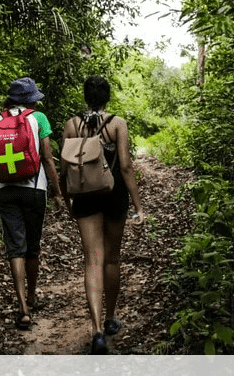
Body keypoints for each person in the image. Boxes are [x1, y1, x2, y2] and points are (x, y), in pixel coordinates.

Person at [60, 74, 144, 354]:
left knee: (91, 261)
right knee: (112, 257)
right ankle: (109, 319)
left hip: (84, 194)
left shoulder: (71, 125)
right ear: (107, 96)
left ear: (85, 96)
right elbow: (127, 166)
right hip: (114, 193)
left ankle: (95, 329)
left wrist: (67, 198)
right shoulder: (118, 124)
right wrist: (138, 205)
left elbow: (65, 168)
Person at [0, 77, 62, 330]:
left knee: (15, 248)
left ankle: (21, 307)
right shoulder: (39, 119)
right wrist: (57, 192)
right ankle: (32, 299)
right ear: (31, 99)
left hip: (6, 191)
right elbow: (47, 158)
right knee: (32, 247)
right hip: (35, 190)